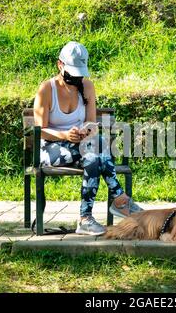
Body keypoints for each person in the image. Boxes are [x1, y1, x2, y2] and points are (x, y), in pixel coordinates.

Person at [33, 41, 143, 236]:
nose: (76, 77)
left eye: (79, 72)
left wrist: (84, 132)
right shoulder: (46, 89)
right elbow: (40, 130)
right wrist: (65, 135)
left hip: (84, 147)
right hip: (51, 148)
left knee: (94, 153)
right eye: (72, 71)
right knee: (97, 146)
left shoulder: (87, 86)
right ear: (60, 65)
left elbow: (91, 124)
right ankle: (120, 199)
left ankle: (85, 219)